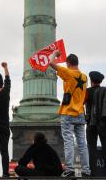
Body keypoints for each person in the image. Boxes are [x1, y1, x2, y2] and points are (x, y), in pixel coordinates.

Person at [49, 50, 90, 178]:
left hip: (68, 112)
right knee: (82, 142)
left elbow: (51, 63)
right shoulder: (84, 77)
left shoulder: (68, 72)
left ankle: (70, 168)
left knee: (68, 141)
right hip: (80, 113)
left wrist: (55, 54)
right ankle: (86, 170)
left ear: (68, 63)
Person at [85, 71, 106, 176]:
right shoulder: (104, 90)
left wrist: (86, 118)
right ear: (100, 81)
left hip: (90, 124)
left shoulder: (86, 91)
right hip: (103, 123)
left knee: (91, 149)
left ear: (91, 80)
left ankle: (92, 173)